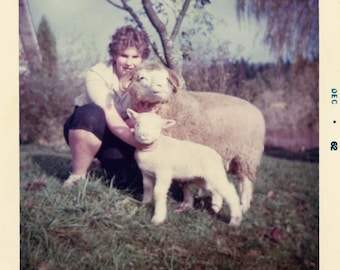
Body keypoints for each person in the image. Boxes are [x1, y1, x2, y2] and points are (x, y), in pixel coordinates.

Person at [63, 25, 151, 194]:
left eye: (135, 56)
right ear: (114, 55)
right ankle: (77, 175)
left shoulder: (147, 79)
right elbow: (109, 113)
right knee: (91, 114)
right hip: (88, 126)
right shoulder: (97, 73)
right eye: (124, 55)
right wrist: (139, 143)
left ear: (142, 58)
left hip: (120, 132)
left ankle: (104, 161)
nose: (130, 62)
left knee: (125, 182)